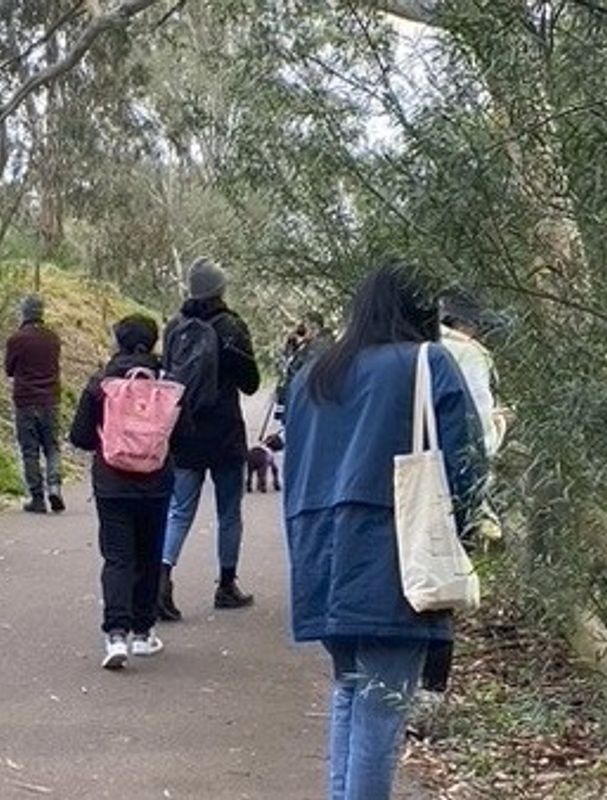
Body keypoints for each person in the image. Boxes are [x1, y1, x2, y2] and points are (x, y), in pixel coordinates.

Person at [283, 264, 484, 800]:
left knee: (352, 692)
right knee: (380, 709)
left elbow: (295, 470)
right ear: (421, 309)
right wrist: (461, 535)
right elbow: (467, 466)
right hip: (393, 550)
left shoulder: (313, 375)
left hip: (320, 550)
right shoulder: (426, 362)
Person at [419, 288, 510, 704]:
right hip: (448, 483)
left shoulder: (416, 346)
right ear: (470, 324)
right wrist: (502, 422)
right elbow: (479, 438)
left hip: (408, 478)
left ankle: (399, 683)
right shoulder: (471, 356)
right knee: (442, 588)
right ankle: (431, 694)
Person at [68, 314, 174, 670]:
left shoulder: (101, 384)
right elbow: (183, 433)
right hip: (157, 482)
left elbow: (79, 436)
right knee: (149, 554)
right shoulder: (167, 384)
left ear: (118, 341)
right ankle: (144, 633)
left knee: (117, 558)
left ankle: (116, 634)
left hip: (112, 483)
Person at [157, 258, 260, 620]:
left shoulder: (174, 327)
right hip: (225, 431)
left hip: (184, 431)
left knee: (179, 509)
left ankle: (162, 576)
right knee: (229, 511)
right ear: (220, 289)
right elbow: (252, 383)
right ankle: (226, 585)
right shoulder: (231, 326)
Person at [4, 294, 64, 514]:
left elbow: (9, 369)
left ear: (24, 312)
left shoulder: (17, 339)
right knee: (52, 446)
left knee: (30, 449)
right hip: (50, 399)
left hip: (25, 400)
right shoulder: (53, 338)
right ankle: (55, 486)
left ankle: (37, 497)